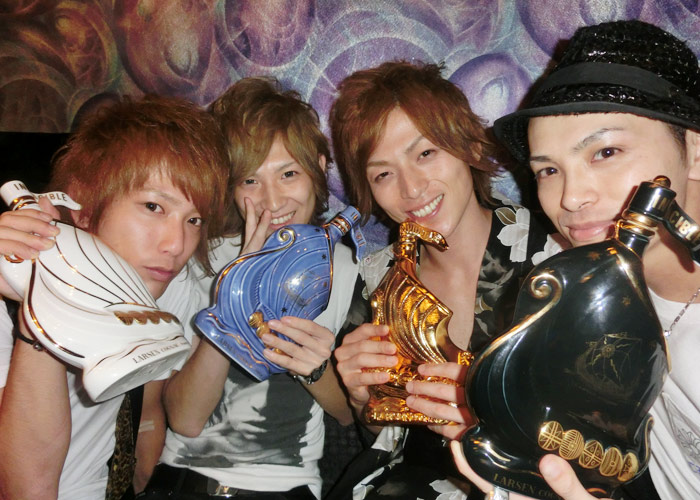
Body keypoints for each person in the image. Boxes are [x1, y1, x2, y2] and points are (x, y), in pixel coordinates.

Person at [451, 19, 700, 500]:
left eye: (606, 151)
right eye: (548, 170)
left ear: (694, 148)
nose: (570, 198)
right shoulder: (577, 281)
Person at [327, 61, 558, 499]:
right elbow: (382, 434)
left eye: (425, 153)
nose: (411, 189)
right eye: (383, 173)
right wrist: (362, 397)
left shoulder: (554, 257)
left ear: (466, 144)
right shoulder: (378, 280)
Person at [0, 95, 230, 499]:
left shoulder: (163, 282)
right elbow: (28, 490)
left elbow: (151, 407)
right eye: (153, 206)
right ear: (84, 208)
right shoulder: (9, 296)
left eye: (194, 219)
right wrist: (39, 304)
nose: (176, 244)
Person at [145, 77, 357, 500]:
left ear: (317, 168)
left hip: (285, 487)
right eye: (249, 181)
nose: (271, 201)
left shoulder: (344, 268)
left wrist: (313, 368)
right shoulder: (200, 259)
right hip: (185, 480)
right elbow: (185, 420)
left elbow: (349, 415)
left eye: (288, 174)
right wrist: (236, 290)